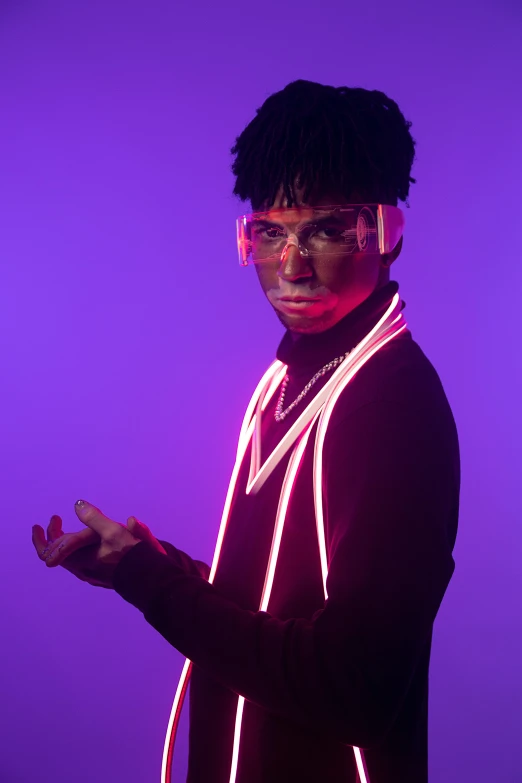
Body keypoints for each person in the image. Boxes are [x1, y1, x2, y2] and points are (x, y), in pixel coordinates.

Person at [32, 79, 460, 783]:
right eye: (270, 231)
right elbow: (280, 613)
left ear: (387, 234)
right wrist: (150, 564)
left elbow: (353, 686)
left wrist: (150, 584)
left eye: (325, 228)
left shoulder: (392, 400)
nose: (291, 264)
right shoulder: (286, 385)